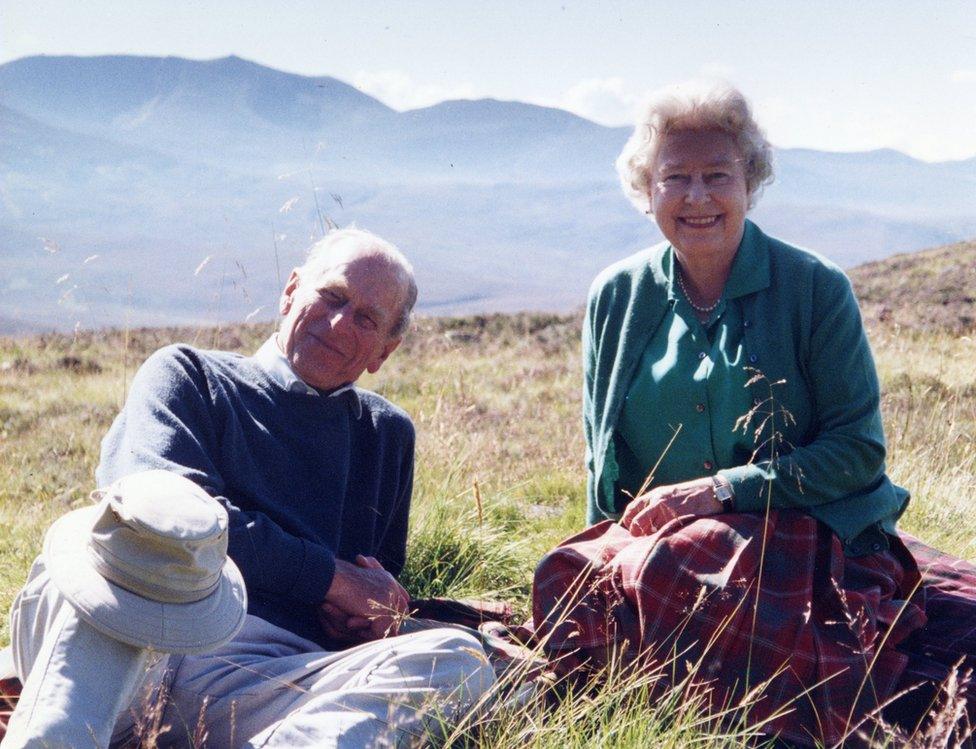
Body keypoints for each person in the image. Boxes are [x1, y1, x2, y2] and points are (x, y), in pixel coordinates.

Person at [531, 81, 976, 746]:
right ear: (645, 188)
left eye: (718, 175)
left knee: (688, 560)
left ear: (751, 182)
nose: (698, 197)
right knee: (566, 580)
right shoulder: (615, 297)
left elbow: (858, 451)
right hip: (662, 548)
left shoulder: (815, 288)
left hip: (804, 529)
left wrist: (719, 492)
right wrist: (608, 545)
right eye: (674, 177)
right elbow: (606, 459)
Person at [7, 228, 494, 747]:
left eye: (365, 319)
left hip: (261, 679)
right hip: (131, 637)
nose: (337, 323)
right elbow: (162, 518)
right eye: (332, 296)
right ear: (291, 291)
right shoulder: (188, 374)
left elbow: (370, 587)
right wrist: (331, 579)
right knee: (95, 537)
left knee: (459, 660)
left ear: (385, 350)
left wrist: (369, 621)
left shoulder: (385, 434)